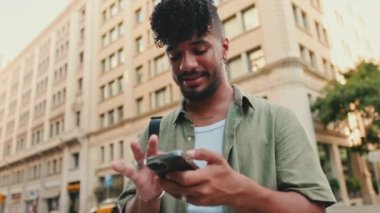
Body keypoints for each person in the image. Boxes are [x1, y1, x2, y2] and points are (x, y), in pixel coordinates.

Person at [112, 0, 336, 212]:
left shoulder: (277, 120)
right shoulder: (154, 135)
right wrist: (148, 197)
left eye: (199, 50)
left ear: (225, 48)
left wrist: (240, 192)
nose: (187, 64)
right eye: (175, 55)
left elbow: (315, 209)